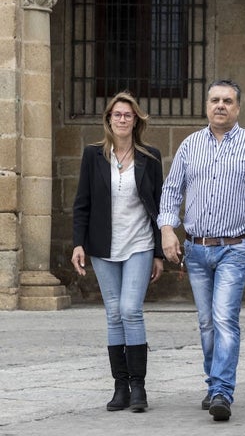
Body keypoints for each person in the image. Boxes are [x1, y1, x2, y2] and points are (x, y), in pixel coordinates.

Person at [158, 79, 245, 421]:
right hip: (195, 250)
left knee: (224, 319)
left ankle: (222, 390)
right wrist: (167, 230)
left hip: (234, 249)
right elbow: (171, 192)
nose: (220, 105)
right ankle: (214, 384)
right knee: (207, 323)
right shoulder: (190, 146)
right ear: (206, 105)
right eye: (214, 100)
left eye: (227, 100)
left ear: (238, 107)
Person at [71, 91, 164, 413]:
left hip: (139, 243)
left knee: (130, 310)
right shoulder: (93, 155)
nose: (122, 120)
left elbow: (158, 206)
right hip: (102, 246)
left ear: (136, 119)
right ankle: (120, 388)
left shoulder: (150, 157)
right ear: (108, 119)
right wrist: (78, 243)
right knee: (113, 313)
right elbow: (82, 203)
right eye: (117, 115)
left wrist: (159, 254)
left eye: (128, 115)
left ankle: (138, 387)